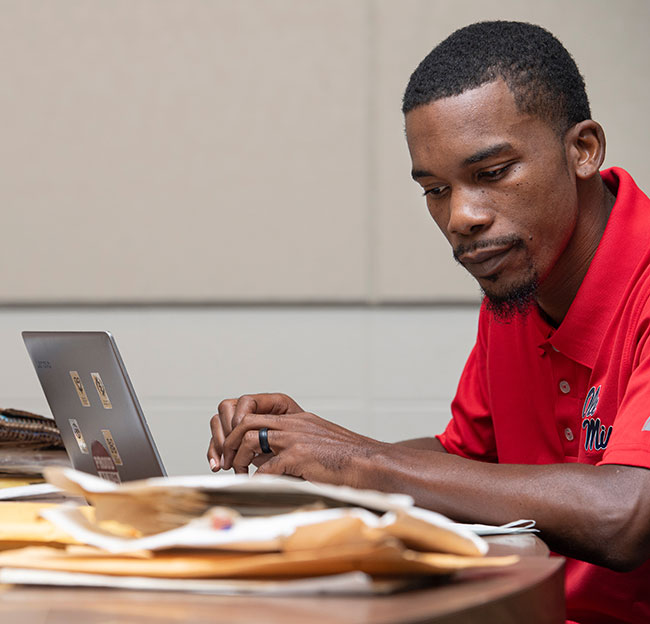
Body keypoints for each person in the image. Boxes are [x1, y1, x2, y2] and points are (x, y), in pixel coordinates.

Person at [207, 21, 650, 624]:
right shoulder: (518, 282)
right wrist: (304, 453)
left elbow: (625, 514)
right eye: (436, 189)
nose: (461, 216)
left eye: (492, 173)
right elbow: (464, 464)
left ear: (583, 149)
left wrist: (360, 462)